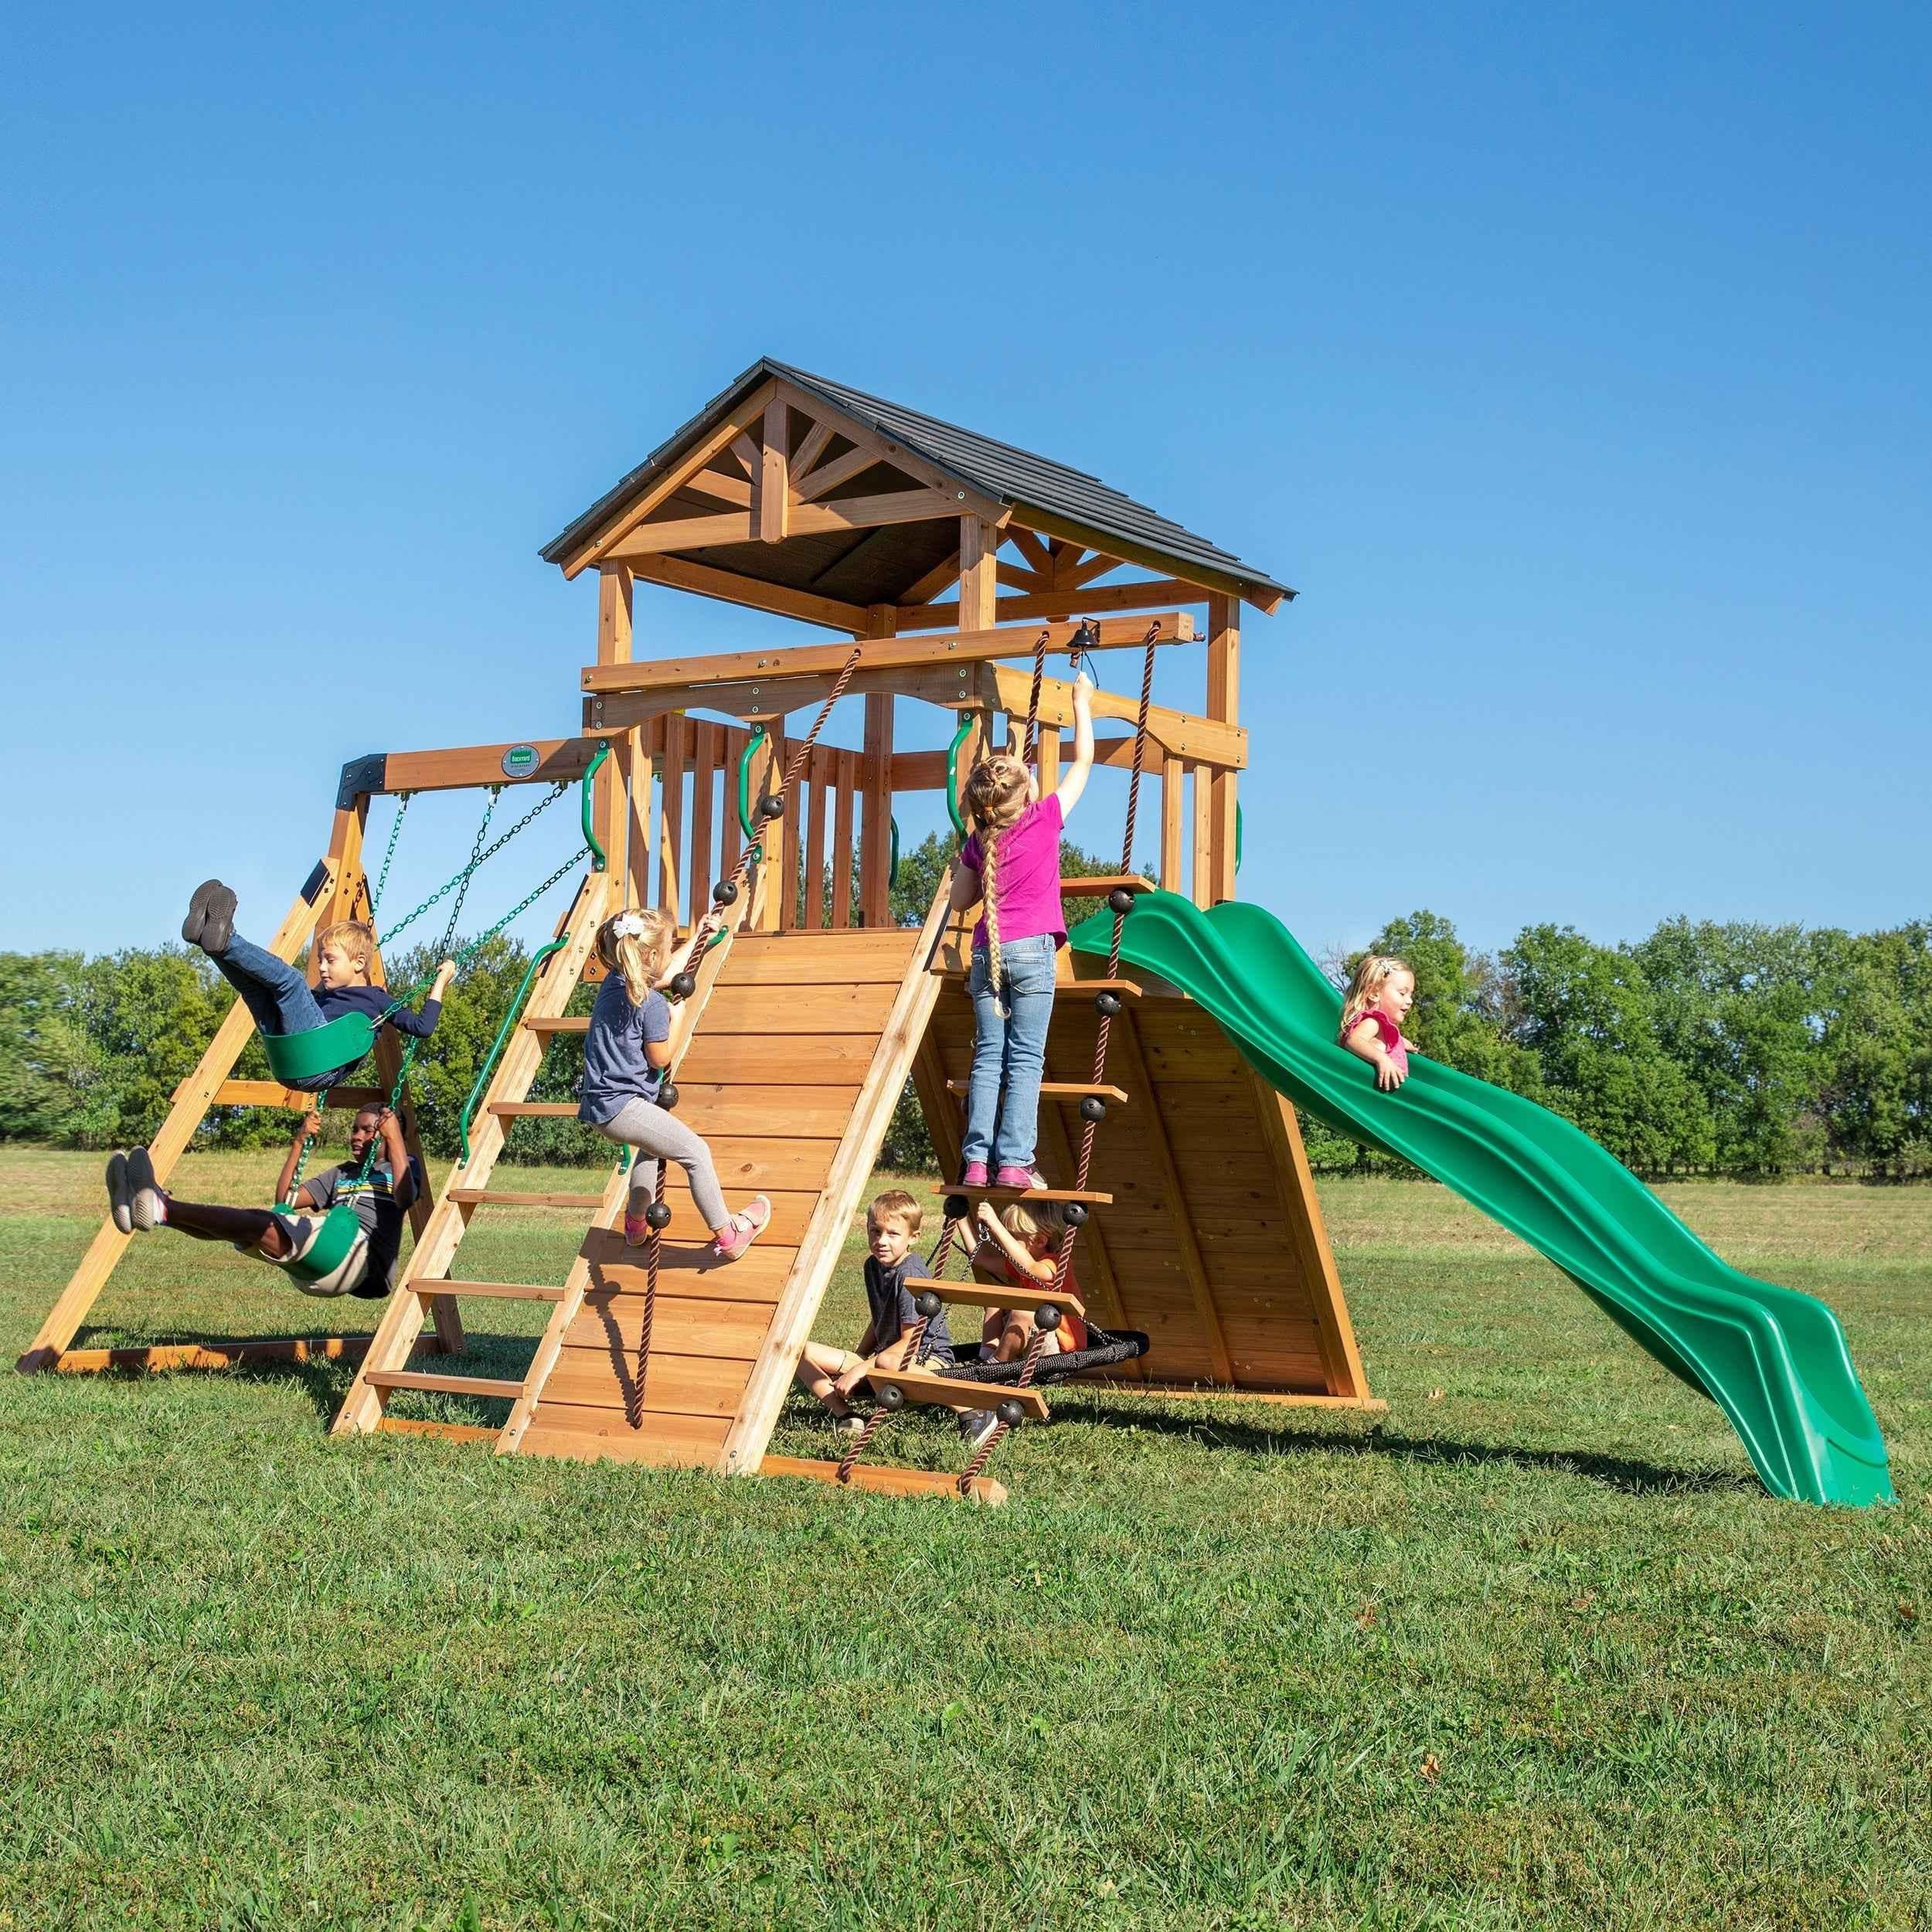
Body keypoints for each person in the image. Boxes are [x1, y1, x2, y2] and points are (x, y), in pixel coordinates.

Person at [948, 663, 1096, 1189]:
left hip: (988, 955)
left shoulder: (978, 841)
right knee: (1026, 1058)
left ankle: (976, 1161)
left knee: (989, 1057)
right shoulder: (1045, 818)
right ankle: (1013, 1162)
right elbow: (1084, 762)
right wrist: (1082, 703)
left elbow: (962, 900)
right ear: (1025, 794)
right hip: (1033, 953)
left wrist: (964, 859)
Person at [578, 906, 770, 1263]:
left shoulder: (616, 984)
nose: (670, 955)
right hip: (624, 1106)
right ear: (650, 956)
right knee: (696, 1153)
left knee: (652, 1149)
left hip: (600, 1106)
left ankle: (636, 1225)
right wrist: (677, 1018)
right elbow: (660, 1058)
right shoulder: (650, 1004)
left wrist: (700, 937)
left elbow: (664, 974)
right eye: (668, 948)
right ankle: (728, 1235)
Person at [104, 1104, 418, 1298]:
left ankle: (161, 1204)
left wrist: (395, 1139)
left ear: (388, 1133)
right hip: (325, 1255)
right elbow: (287, 1199)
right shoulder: (342, 1173)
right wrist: (298, 1143)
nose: (356, 1136)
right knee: (248, 1228)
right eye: (354, 1129)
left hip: (361, 1262)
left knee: (259, 1223)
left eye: (368, 1130)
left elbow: (404, 1199)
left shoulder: (401, 1168)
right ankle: (149, 1210)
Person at [181, 880, 455, 1092]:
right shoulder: (325, 996)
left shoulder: (376, 999)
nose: (322, 967)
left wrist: (440, 981)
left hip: (319, 1065)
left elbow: (423, 1028)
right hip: (290, 1063)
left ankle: (227, 940)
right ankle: (210, 944)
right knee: (257, 991)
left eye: (330, 960)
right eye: (321, 959)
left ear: (359, 963)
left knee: (291, 982)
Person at [793, 1189, 996, 1447]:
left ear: (913, 1238)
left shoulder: (910, 1273)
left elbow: (909, 1343)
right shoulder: (873, 1266)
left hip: (925, 1360)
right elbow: (879, 1318)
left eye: (893, 1234)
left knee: (888, 1360)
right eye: (875, 1231)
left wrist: (858, 1369)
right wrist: (858, 1357)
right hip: (886, 1357)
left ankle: (972, 1410)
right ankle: (848, 1415)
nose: (882, 1241)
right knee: (797, 1350)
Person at [971, 1196, 1090, 1362]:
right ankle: (985, 1355)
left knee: (1024, 1311)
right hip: (1035, 1342)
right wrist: (960, 1219)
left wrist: (996, 1225)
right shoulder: (1023, 1266)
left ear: (1040, 1241)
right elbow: (980, 1259)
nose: (1005, 1243)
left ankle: (995, 1366)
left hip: (1060, 1354)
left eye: (1012, 1237)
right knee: (997, 1299)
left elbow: (1030, 1268)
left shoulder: (1057, 1265)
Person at [1338, 952, 1418, 1091]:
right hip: (1370, 1096)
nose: (1410, 1001)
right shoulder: (1372, 1021)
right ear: (1374, 993)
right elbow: (1353, 1040)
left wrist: (1401, 1041)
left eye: (1411, 995)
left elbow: (1382, 1042)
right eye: (1402, 993)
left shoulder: (1382, 1028)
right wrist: (1382, 1059)